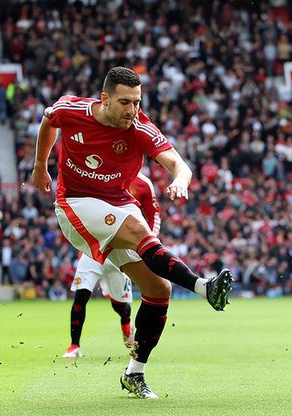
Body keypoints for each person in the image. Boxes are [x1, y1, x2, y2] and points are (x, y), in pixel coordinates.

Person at [31, 67, 233, 399]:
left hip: (118, 202)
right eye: (125, 102)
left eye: (137, 102)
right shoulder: (72, 109)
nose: (132, 110)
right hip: (75, 203)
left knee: (159, 289)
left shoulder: (140, 128)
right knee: (138, 229)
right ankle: (203, 287)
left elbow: (179, 165)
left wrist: (180, 181)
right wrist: (40, 166)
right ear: (105, 98)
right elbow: (48, 121)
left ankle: (134, 374)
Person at [62, 172, 161, 359]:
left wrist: (148, 241)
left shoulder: (144, 183)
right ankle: (74, 345)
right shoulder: (101, 173)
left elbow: (154, 215)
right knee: (81, 295)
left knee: (121, 305)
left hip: (121, 250)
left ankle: (126, 323)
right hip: (95, 249)